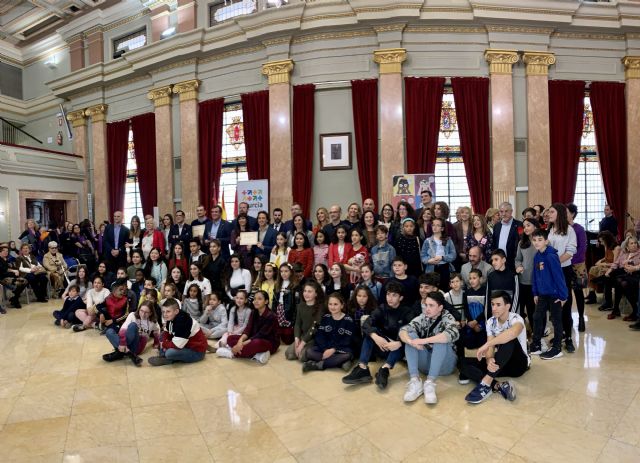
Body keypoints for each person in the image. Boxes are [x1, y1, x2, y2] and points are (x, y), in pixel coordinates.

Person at [342, 282, 414, 389]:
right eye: (388, 294)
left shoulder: (407, 311)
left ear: (401, 297)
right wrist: (375, 337)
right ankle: (362, 368)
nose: (390, 298)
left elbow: (413, 331)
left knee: (403, 341)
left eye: (394, 295)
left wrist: (399, 342)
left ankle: (384, 370)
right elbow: (367, 323)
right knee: (371, 333)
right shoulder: (382, 308)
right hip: (383, 345)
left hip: (399, 347)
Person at [463, 291, 530, 404]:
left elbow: (513, 333)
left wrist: (486, 345)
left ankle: (485, 384)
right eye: (492, 304)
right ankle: (499, 386)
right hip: (501, 362)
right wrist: (489, 359)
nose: (494, 308)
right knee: (463, 362)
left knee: (508, 338)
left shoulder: (516, 318)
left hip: (519, 364)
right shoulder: (491, 321)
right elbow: (491, 345)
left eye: (498, 305)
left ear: (507, 306)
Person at [399, 291, 460, 404]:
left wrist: (423, 341)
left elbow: (451, 334)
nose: (427, 308)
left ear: (440, 307)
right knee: (410, 335)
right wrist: (411, 341)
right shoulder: (423, 317)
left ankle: (430, 383)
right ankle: (415, 381)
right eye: (426, 305)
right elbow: (403, 330)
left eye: (431, 305)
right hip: (426, 365)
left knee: (441, 339)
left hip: (445, 364)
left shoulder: (448, 318)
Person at [529, 229, 568, 360]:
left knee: (556, 321)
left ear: (546, 241)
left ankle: (557, 348)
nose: (536, 242)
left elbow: (559, 277)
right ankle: (537, 345)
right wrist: (535, 292)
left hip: (555, 295)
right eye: (534, 240)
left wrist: (563, 296)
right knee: (537, 317)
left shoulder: (551, 256)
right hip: (542, 294)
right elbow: (535, 275)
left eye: (540, 240)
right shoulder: (536, 256)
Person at [546, 203, 578, 353]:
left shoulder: (569, 230)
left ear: (558, 213)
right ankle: (560, 334)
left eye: (551, 212)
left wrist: (555, 262)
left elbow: (571, 251)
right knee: (555, 305)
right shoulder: (549, 230)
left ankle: (569, 338)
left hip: (563, 270)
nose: (548, 214)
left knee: (565, 303)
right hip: (550, 272)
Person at [215, 290, 279, 364]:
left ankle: (231, 353)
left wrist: (241, 344)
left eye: (259, 299)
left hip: (268, 342)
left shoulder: (271, 316)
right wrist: (240, 341)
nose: (256, 301)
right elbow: (248, 329)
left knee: (256, 343)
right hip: (252, 338)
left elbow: (261, 335)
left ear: (266, 301)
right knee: (230, 338)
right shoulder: (253, 312)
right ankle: (257, 355)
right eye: (255, 299)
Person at [303, 292, 356, 372]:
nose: (332, 307)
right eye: (330, 304)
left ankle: (318, 365)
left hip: (340, 349)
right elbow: (319, 336)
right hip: (326, 347)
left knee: (347, 355)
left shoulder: (348, 320)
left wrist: (333, 350)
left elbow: (347, 340)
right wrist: (325, 349)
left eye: (335, 304)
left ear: (342, 305)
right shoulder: (326, 317)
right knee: (309, 352)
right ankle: (337, 362)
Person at [148, 298, 208, 365]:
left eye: (168, 311)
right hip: (185, 344)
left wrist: (164, 344)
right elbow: (166, 332)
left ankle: (168, 359)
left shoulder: (183, 322)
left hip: (197, 352)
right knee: (161, 336)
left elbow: (177, 346)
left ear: (176, 311)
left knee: (170, 353)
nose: (165, 314)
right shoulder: (172, 317)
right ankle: (166, 355)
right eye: (163, 311)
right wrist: (164, 342)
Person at [104, 301, 161, 366]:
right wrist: (122, 343)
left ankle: (120, 353)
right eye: (141, 311)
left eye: (146, 312)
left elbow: (157, 331)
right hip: (125, 342)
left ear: (150, 313)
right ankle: (129, 354)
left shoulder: (153, 322)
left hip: (137, 346)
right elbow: (123, 329)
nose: (143, 314)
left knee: (133, 325)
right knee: (109, 331)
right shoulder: (132, 315)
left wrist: (156, 343)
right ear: (138, 309)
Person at [286, 281, 324, 362]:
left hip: (313, 338)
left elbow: (313, 329)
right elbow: (297, 324)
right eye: (305, 291)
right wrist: (297, 339)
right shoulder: (300, 305)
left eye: (310, 291)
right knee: (289, 354)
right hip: (303, 335)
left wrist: (302, 343)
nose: (306, 294)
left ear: (316, 294)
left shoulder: (320, 308)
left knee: (301, 357)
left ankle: (313, 352)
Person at [515, 218, 539, 326]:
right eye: (524, 226)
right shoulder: (522, 242)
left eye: (528, 225)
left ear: (535, 226)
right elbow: (518, 259)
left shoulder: (541, 242)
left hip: (537, 282)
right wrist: (518, 266)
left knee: (533, 310)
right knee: (521, 309)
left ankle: (537, 335)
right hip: (523, 281)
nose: (525, 228)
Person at [421, 217, 456, 290]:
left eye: (437, 225)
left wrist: (442, 257)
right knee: (431, 289)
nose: (434, 227)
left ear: (442, 228)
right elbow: (422, 256)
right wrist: (428, 260)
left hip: (444, 268)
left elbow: (453, 255)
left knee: (444, 289)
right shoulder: (427, 241)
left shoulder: (448, 240)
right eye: (433, 225)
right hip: (431, 268)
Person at [585, 231, 618, 305]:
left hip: (612, 268)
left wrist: (603, 264)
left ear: (607, 240)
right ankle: (592, 294)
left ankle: (606, 299)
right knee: (592, 269)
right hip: (606, 265)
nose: (601, 243)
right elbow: (605, 257)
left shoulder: (616, 248)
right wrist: (600, 261)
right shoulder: (606, 246)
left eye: (602, 241)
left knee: (601, 271)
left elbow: (616, 263)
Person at [485, 249, 519, 319]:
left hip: (509, 317)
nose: (493, 262)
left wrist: (510, 317)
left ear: (504, 260)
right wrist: (488, 318)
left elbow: (516, 297)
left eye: (496, 259)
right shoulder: (490, 276)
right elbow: (488, 298)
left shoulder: (513, 276)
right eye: (492, 260)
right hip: (495, 317)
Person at [272, 262, 300, 344]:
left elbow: (296, 304)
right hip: (279, 309)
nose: (283, 273)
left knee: (288, 339)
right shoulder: (277, 284)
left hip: (289, 311)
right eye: (281, 271)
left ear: (291, 272)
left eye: (286, 271)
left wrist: (294, 319)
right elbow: (274, 301)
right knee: (279, 333)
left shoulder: (295, 285)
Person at [491, 202, 523, 270]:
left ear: (511, 211)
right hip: (499, 263)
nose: (504, 214)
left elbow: (521, 242)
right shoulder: (497, 226)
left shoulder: (519, 225)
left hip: (513, 262)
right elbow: (494, 243)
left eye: (506, 211)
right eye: (501, 211)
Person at [0, 244, 27, 309]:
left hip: (10, 276)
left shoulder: (7, 259)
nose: (6, 252)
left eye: (7, 251)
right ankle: (16, 299)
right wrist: (13, 271)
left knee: (25, 281)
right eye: (4, 251)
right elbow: (3, 270)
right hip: (2, 278)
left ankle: (14, 298)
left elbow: (12, 267)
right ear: (0, 252)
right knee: (20, 283)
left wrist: (15, 271)